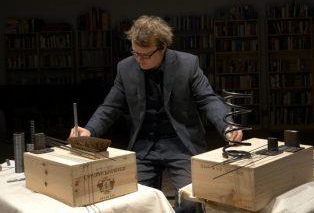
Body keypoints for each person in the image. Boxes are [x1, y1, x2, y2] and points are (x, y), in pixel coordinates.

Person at [69, 15, 242, 213]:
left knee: (190, 202)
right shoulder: (125, 68)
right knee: (134, 202)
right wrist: (89, 130)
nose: (139, 60)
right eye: (135, 53)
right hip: (144, 145)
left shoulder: (187, 64)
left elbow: (208, 99)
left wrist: (227, 125)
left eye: (145, 55)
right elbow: (111, 106)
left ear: (163, 48)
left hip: (181, 144)